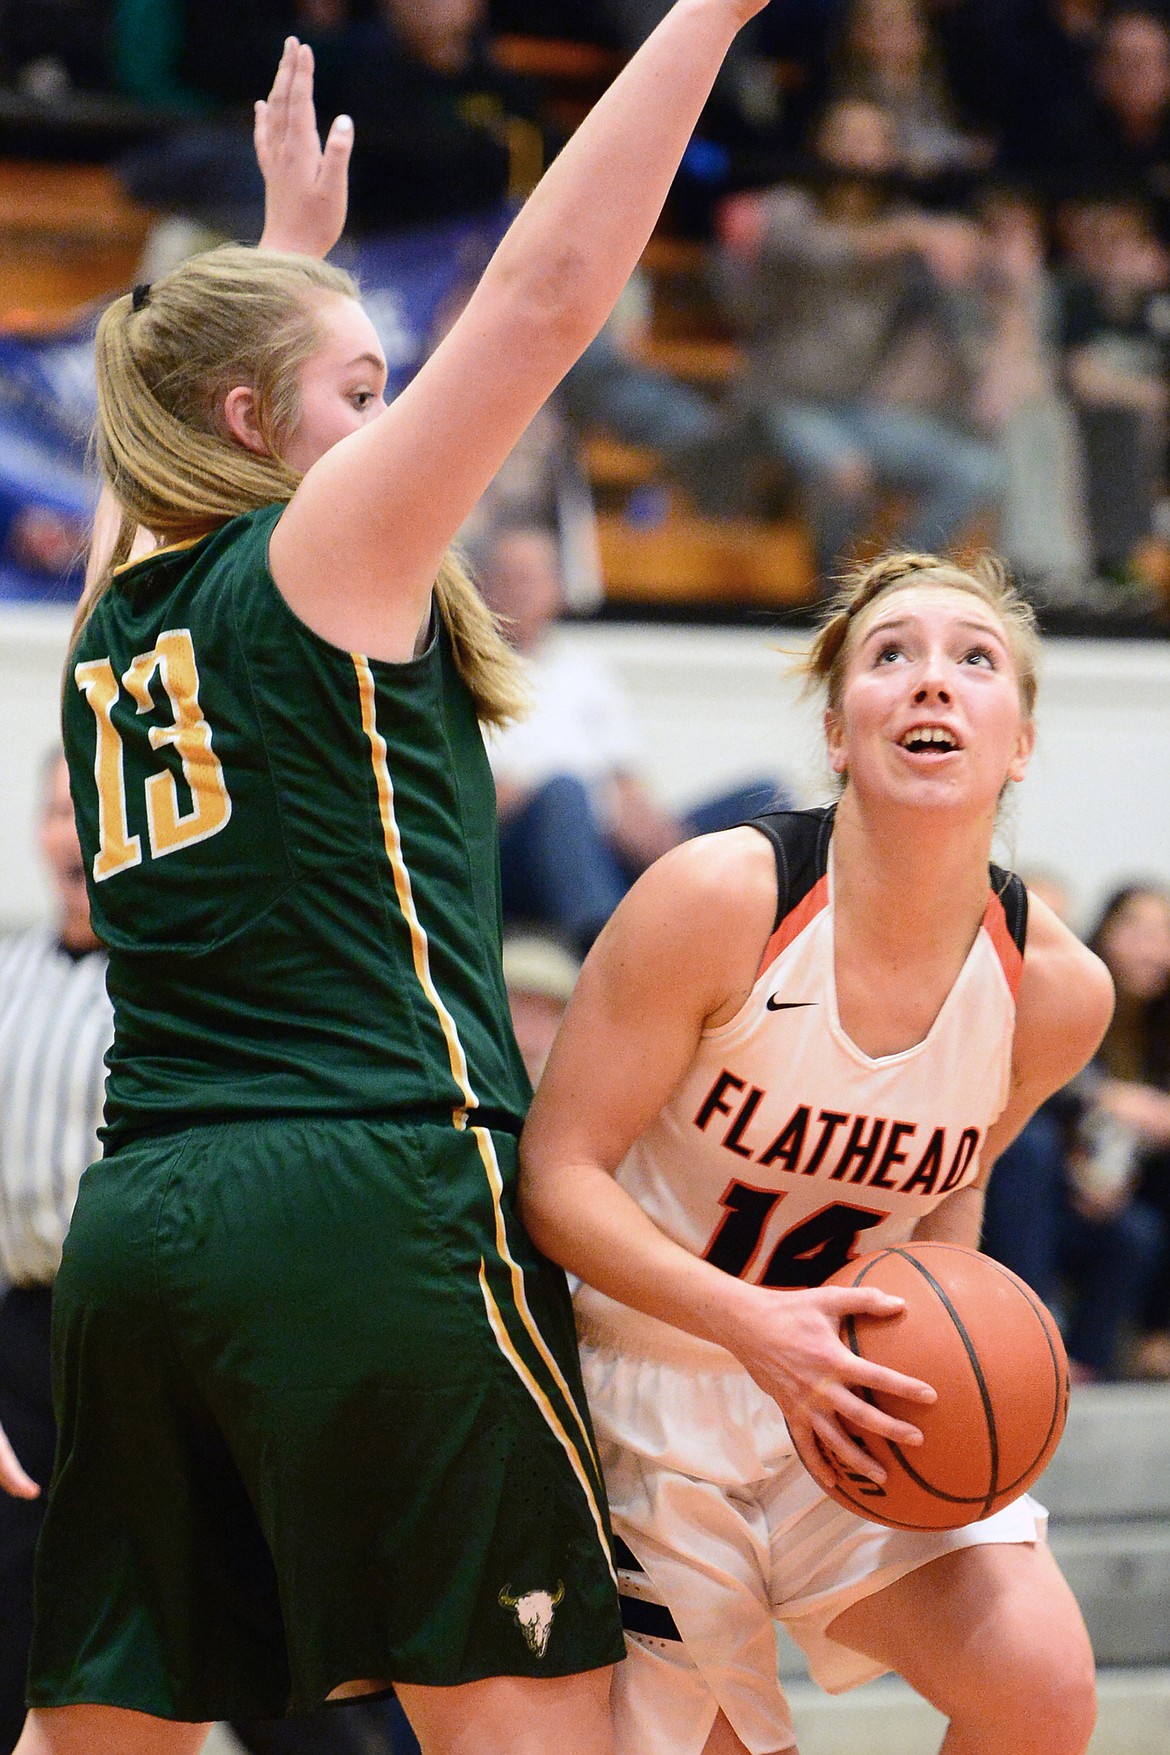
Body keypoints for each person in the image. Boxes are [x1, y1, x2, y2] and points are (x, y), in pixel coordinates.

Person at [0, 6, 775, 1752]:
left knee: (96, 1732)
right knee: (531, 1723)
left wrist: (285, 264)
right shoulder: (322, 557)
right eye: (362, 390)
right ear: (255, 420)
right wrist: (706, 20)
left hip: (147, 1226)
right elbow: (545, 292)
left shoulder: (114, 608)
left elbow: (181, 435)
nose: (389, 419)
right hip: (369, 1194)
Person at [519, 550, 1112, 1755]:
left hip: (849, 1397)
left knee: (1041, 1688)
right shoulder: (718, 897)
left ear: (1023, 742)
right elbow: (558, 1177)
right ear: (840, 732)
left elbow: (952, 1194)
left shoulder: (1058, 991)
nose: (931, 683)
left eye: (974, 660)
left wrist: (940, 1356)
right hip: (651, 1399)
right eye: (890, 657)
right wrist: (749, 1324)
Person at [0, 758, 421, 1755]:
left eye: (98, 815)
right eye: (62, 811)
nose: (77, 836)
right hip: (23, 1340)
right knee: (22, 1623)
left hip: (176, 1344)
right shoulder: (8, 973)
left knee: (241, 1635)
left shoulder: (207, 988)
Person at [481, 522, 786, 952]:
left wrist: (647, 824)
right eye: (509, 577)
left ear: (558, 588)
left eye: (534, 578)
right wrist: (568, 793)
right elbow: (475, 803)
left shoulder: (584, 671)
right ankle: (610, 948)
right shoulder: (465, 675)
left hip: (605, 849)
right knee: (564, 792)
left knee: (766, 798)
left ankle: (771, 942)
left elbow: (627, 780)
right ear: (483, 587)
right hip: (521, 857)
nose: (522, 590)